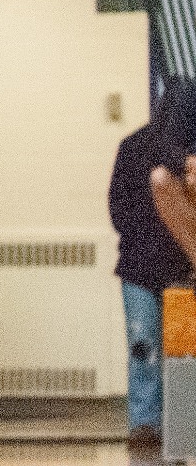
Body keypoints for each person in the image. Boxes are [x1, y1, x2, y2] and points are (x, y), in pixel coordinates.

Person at [116, 78, 196, 452]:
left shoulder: (133, 145)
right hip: (167, 265)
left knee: (145, 347)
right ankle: (172, 425)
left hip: (141, 264)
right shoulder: (150, 150)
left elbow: (118, 209)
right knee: (177, 351)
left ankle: (149, 424)